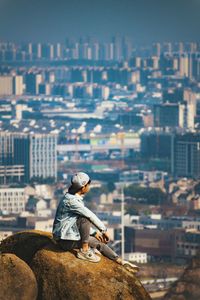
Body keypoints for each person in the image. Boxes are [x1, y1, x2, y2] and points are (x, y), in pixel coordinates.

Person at [53, 172, 139, 272]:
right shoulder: (71, 201)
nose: (89, 187)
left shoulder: (72, 198)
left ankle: (121, 262)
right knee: (85, 218)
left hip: (69, 236)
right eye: (88, 185)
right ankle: (84, 251)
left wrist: (94, 232)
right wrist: (104, 230)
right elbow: (89, 215)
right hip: (64, 240)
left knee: (98, 243)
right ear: (83, 187)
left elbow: (73, 223)